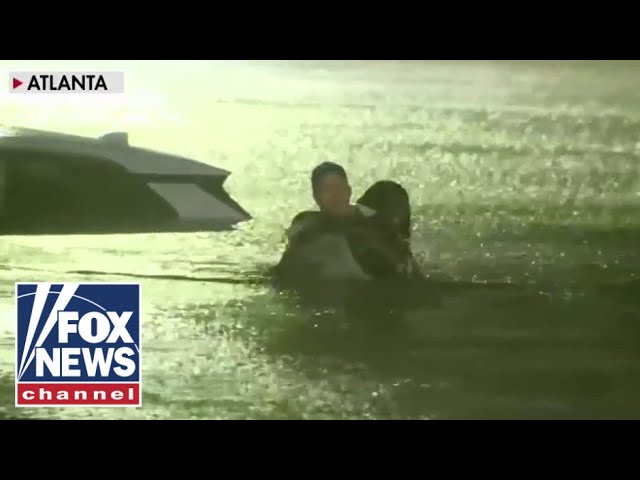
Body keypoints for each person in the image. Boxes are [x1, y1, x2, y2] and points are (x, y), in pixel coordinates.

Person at [273, 161, 422, 279]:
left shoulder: (377, 222)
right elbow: (283, 269)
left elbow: (405, 266)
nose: (335, 196)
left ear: (349, 191)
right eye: (328, 190)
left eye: (339, 188)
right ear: (316, 197)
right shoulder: (307, 224)